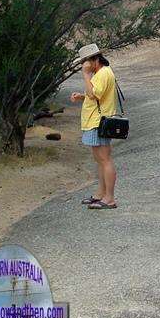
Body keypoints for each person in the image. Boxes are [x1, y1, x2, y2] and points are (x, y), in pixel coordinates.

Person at [70, 43, 118, 209]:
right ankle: (101, 194)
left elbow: (94, 93)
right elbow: (95, 95)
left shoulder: (103, 73)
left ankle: (109, 198)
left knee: (105, 160)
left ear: (93, 60)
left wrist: (85, 74)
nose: (84, 65)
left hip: (99, 122)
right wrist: (82, 96)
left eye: (85, 62)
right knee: (100, 160)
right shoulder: (99, 73)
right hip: (94, 121)